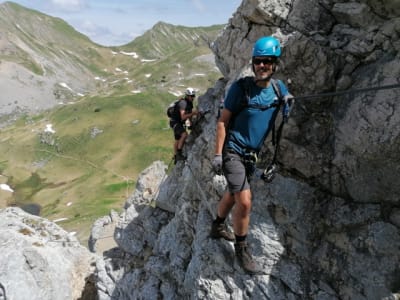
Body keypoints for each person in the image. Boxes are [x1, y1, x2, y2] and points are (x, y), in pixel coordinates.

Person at [210, 36, 292, 274]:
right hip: (233, 151)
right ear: (253, 62)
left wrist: (288, 103)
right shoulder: (241, 88)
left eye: (267, 61)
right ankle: (242, 249)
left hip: (250, 156)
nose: (262, 65)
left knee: (232, 193)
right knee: (244, 201)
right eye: (258, 61)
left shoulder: (279, 89)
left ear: (275, 63)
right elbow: (223, 121)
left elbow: (285, 109)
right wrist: (218, 155)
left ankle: (217, 226)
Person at [169, 87, 198, 164]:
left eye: (193, 96)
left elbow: (189, 115)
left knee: (178, 140)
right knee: (184, 134)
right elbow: (183, 116)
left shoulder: (190, 104)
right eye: (192, 96)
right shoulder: (183, 103)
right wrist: (194, 113)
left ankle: (175, 156)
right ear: (188, 96)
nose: (193, 98)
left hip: (177, 123)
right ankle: (179, 154)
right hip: (175, 122)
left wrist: (191, 124)